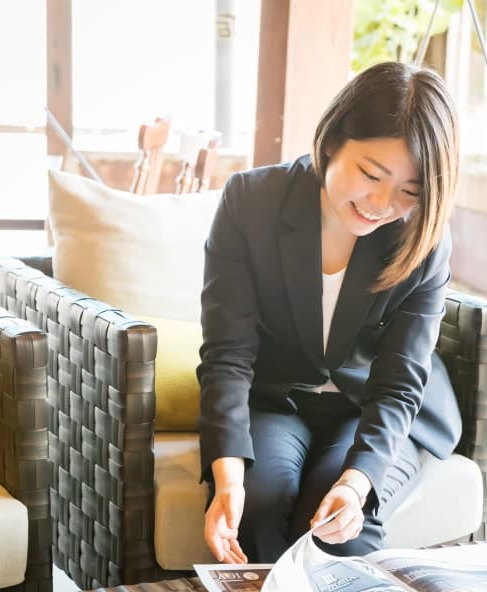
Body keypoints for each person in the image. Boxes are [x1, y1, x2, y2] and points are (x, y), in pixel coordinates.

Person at [197, 61, 462, 564]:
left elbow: (399, 383)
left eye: (410, 191)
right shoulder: (251, 202)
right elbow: (227, 353)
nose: (381, 203)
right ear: (333, 140)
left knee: (337, 528)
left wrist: (356, 484)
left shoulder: (425, 237)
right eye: (371, 174)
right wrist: (226, 476)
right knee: (256, 507)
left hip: (374, 408)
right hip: (279, 399)